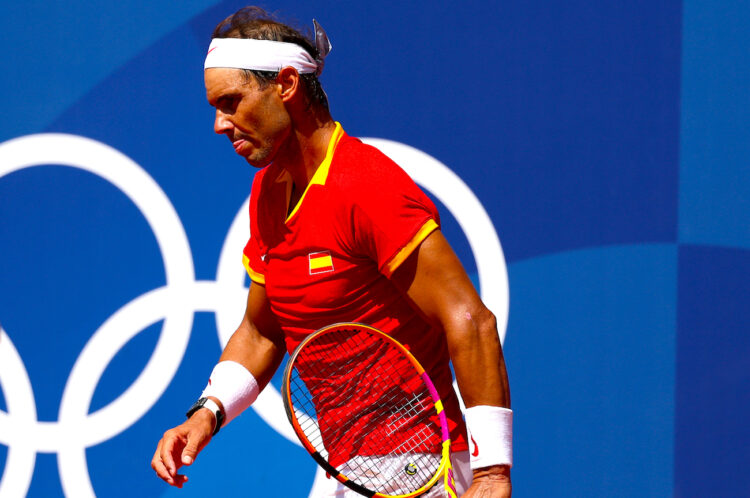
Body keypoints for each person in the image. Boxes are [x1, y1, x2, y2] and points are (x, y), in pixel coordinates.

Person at [151, 6, 512, 497]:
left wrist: (492, 473)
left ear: (285, 85)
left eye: (231, 101)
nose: (220, 123)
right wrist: (207, 413)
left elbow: (471, 320)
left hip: (418, 466)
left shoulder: (367, 185)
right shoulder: (269, 192)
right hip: (344, 470)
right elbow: (262, 330)